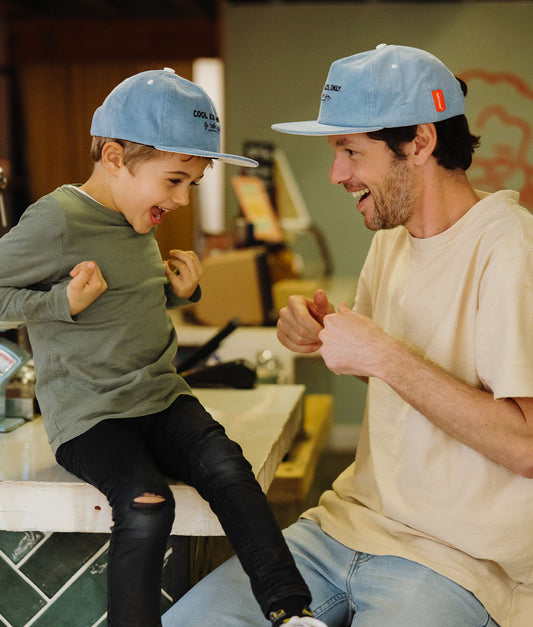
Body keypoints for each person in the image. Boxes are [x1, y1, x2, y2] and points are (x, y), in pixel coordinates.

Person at [162, 44, 533, 626]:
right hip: (344, 527)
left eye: (350, 151)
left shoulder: (509, 246)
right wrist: (323, 330)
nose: (337, 174)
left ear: (420, 142)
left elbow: (526, 445)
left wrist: (384, 356)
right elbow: (392, 362)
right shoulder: (392, 236)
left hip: (459, 561)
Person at [0, 68, 327, 627]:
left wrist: (182, 293)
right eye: (174, 180)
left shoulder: (137, 215)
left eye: (192, 185)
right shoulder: (55, 220)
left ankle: (292, 612)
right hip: (90, 416)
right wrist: (60, 305)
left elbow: (124, 310)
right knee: (148, 506)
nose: (181, 200)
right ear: (113, 159)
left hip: (162, 396)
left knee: (229, 470)